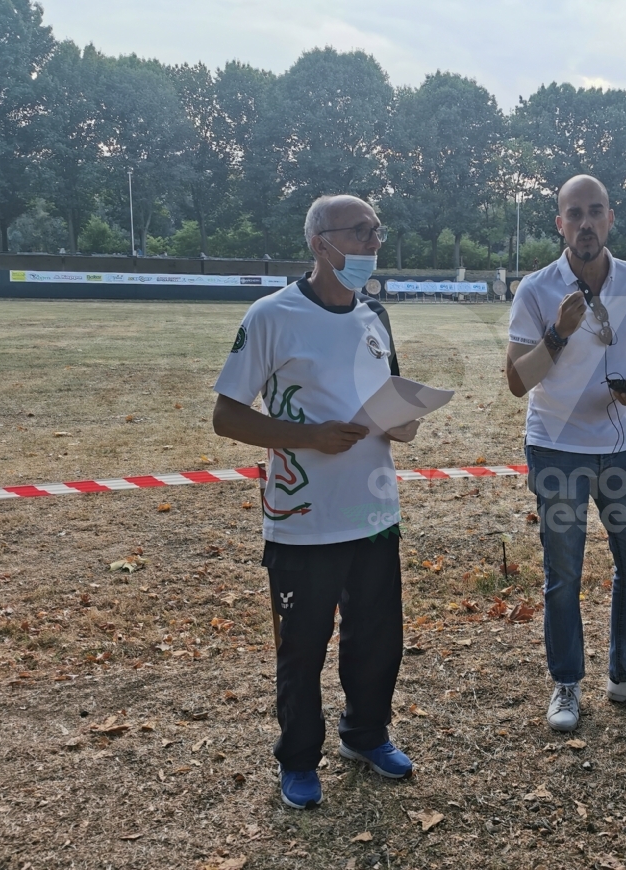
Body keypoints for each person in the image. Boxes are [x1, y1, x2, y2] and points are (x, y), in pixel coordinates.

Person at [212, 194, 420, 809]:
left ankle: (366, 735)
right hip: (303, 520)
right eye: (358, 231)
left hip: (373, 512)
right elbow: (227, 416)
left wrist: (405, 420)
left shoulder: (375, 315)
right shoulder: (272, 315)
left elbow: (391, 398)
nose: (372, 242)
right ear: (318, 242)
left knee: (377, 640)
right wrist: (309, 438)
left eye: (377, 230)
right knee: (302, 649)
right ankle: (299, 759)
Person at [506, 174, 626, 732]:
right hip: (556, 450)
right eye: (575, 213)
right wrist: (559, 333)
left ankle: (625, 676)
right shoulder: (536, 289)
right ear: (560, 223)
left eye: (595, 211)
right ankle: (566, 683)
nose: (586, 223)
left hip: (618, 449)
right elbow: (516, 381)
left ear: (611, 217)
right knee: (564, 571)